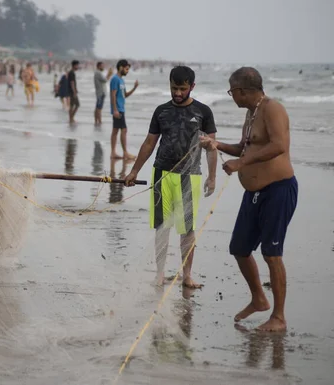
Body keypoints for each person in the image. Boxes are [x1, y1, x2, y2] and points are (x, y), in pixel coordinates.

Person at [200, 67, 297, 332]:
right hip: (253, 194)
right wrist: (215, 144)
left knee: (271, 253)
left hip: (277, 190)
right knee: (239, 248)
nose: (232, 96)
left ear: (242, 91)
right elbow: (245, 147)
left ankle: (279, 317)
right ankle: (259, 298)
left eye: (232, 91)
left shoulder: (272, 109)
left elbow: (279, 146)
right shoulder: (251, 114)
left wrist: (241, 163)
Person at [125, 66, 217, 288]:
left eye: (182, 89)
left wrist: (212, 177)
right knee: (162, 227)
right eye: (174, 88)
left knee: (187, 228)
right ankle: (159, 274)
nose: (177, 93)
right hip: (161, 174)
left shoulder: (203, 112)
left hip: (190, 176)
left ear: (192, 87)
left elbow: (211, 147)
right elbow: (150, 143)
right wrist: (134, 170)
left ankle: (187, 276)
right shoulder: (161, 111)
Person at [110, 60, 139, 159]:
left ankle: (113, 153)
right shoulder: (115, 79)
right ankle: (125, 152)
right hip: (118, 109)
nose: (127, 71)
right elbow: (112, 95)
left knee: (115, 130)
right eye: (126, 69)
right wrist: (115, 110)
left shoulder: (122, 80)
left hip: (121, 108)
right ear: (120, 67)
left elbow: (124, 95)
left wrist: (134, 88)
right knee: (124, 129)